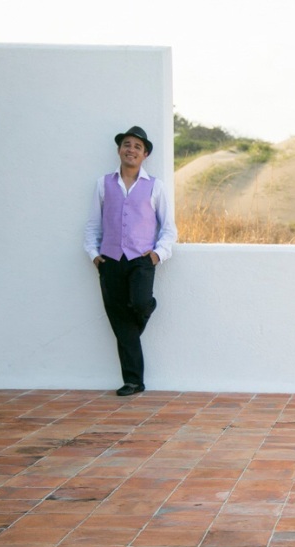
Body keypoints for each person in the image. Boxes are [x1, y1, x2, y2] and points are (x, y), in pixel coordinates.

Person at [84, 125, 177, 396]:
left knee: (138, 304)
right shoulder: (103, 184)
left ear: (145, 154)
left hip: (141, 259)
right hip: (109, 260)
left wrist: (158, 254)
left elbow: (169, 228)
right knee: (118, 318)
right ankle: (134, 381)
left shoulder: (155, 186)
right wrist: (94, 254)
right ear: (119, 150)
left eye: (137, 146)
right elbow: (92, 224)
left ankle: (149, 304)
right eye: (127, 144)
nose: (131, 150)